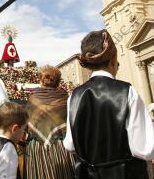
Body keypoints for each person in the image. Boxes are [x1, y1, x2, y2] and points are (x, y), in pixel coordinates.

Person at [63, 29, 154, 179]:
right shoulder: (127, 92)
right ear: (113, 59)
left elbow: (70, 145)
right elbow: (145, 148)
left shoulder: (74, 96)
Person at [25, 65, 75, 179]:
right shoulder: (65, 98)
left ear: (41, 80)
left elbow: (26, 123)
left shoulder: (32, 99)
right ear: (58, 81)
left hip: (37, 149)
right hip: (62, 148)